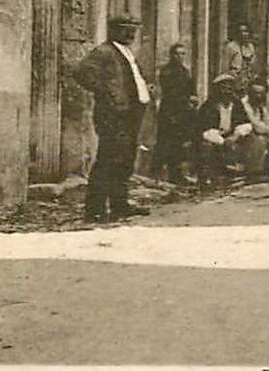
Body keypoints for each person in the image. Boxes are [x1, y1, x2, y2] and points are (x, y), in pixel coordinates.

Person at [73, 14, 153, 221]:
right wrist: (107, 93)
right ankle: (95, 209)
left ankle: (119, 205)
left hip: (130, 113)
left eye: (134, 29)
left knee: (124, 160)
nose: (132, 33)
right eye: (126, 28)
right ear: (114, 30)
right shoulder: (104, 52)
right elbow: (82, 73)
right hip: (114, 115)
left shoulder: (126, 52)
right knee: (108, 159)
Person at [198, 73, 258, 187]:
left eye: (230, 88)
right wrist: (223, 142)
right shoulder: (209, 106)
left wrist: (235, 136)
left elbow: (245, 123)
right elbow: (205, 130)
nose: (227, 92)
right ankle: (209, 176)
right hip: (214, 139)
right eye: (224, 88)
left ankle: (251, 172)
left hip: (232, 136)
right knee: (207, 146)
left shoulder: (236, 104)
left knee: (253, 140)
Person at [153, 42, 199, 185]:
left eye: (183, 54)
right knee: (165, 143)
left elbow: (191, 88)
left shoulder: (185, 71)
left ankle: (176, 174)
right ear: (171, 55)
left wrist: (194, 98)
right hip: (170, 112)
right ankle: (156, 173)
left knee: (180, 144)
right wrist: (187, 99)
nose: (180, 57)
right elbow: (172, 93)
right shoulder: (166, 72)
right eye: (177, 54)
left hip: (183, 112)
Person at [224, 23, 257, 88]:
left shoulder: (250, 47)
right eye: (241, 32)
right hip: (234, 79)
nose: (243, 34)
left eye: (245, 31)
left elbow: (253, 64)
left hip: (247, 80)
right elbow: (225, 67)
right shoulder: (231, 46)